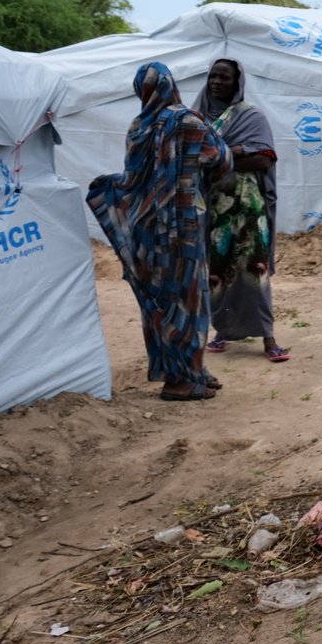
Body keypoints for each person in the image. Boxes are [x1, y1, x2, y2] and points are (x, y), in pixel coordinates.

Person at [86, 62, 232, 401]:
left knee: (162, 298)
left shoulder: (138, 127)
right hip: (184, 228)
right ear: (171, 86)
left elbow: (134, 178)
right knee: (188, 301)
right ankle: (183, 380)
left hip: (149, 230)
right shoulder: (189, 120)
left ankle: (184, 369)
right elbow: (221, 159)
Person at [194, 58, 290, 363]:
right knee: (219, 272)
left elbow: (263, 160)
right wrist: (232, 153)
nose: (217, 82)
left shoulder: (252, 117)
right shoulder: (195, 120)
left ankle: (268, 337)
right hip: (215, 211)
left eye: (224, 77)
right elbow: (190, 159)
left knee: (254, 271)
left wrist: (220, 156)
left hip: (249, 210)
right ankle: (223, 331)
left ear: (237, 82)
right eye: (213, 76)